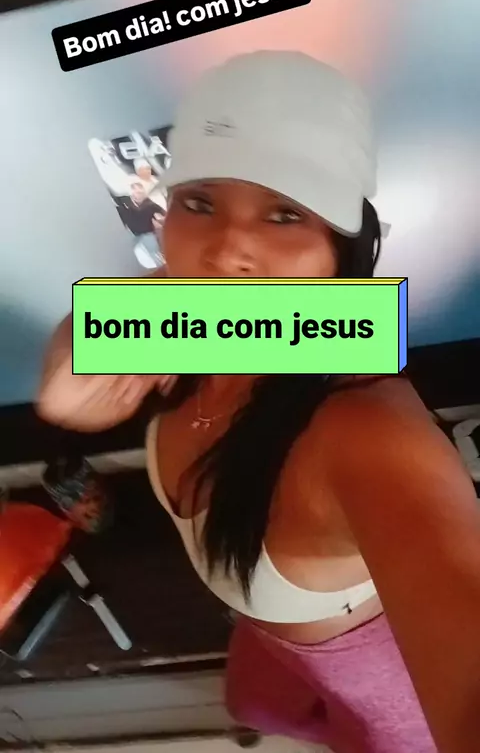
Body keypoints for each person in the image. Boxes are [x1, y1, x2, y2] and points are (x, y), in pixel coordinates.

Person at [37, 52, 480, 753]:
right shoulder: (187, 339)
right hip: (265, 625)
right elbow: (66, 397)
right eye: (200, 203)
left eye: (284, 214)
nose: (229, 247)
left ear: (342, 254)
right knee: (251, 703)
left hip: (386, 689)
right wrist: (182, 300)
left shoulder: (362, 427)